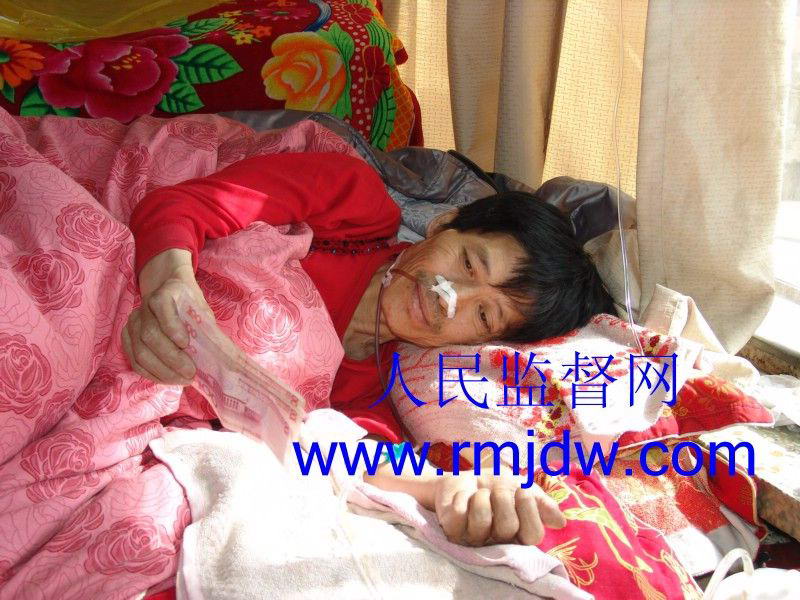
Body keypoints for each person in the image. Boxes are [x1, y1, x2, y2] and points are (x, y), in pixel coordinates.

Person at [124, 151, 615, 548]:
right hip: (116, 270)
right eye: (469, 263)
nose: (450, 297)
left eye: (484, 315)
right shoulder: (350, 201)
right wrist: (171, 288)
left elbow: (357, 458)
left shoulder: (377, 386)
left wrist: (448, 489)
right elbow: (181, 206)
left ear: (481, 344)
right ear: (444, 223)